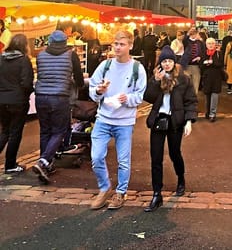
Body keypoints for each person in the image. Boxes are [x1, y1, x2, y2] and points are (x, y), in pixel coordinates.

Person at [88, 30, 147, 210]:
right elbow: (92, 88)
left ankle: (121, 193)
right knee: (96, 156)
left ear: (130, 46)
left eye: (122, 44)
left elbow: (140, 94)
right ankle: (104, 187)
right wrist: (99, 91)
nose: (118, 47)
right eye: (116, 44)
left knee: (123, 160)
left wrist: (127, 99)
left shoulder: (137, 68)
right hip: (103, 119)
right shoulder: (105, 66)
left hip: (124, 122)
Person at [143, 46, 198, 212]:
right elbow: (148, 97)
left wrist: (189, 121)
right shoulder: (156, 77)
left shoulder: (183, 78)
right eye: (164, 61)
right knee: (156, 157)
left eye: (169, 61)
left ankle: (181, 178)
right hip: (159, 120)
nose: (167, 64)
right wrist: (155, 81)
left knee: (175, 154)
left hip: (175, 122)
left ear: (174, 62)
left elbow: (191, 101)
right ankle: (157, 193)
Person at [33, 30, 85, 183]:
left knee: (45, 131)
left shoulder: (41, 55)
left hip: (41, 96)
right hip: (60, 97)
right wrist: (78, 84)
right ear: (65, 42)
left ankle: (46, 165)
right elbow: (79, 78)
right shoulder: (71, 55)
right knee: (59, 131)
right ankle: (44, 161)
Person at [0, 34, 34, 174]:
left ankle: (10, 164)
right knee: (15, 133)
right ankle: (10, 165)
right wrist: (28, 92)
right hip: (18, 101)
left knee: (5, 131)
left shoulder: (1, 59)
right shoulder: (23, 60)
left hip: (1, 100)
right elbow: (26, 83)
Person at [199, 38, 224, 122]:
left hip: (216, 77)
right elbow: (200, 66)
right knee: (207, 95)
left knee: (214, 95)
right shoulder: (203, 54)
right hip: (206, 77)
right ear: (206, 45)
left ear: (215, 44)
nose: (210, 45)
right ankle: (207, 112)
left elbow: (221, 64)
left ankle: (212, 114)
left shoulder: (218, 53)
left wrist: (212, 62)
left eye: (212, 43)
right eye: (209, 43)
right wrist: (205, 63)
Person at [180, 27, 206, 96]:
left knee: (195, 84)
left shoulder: (200, 43)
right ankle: (186, 99)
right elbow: (184, 40)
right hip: (187, 65)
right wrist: (188, 33)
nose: (196, 35)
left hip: (196, 66)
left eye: (196, 34)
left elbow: (204, 53)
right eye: (194, 34)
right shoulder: (187, 41)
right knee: (186, 84)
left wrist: (199, 57)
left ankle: (194, 100)